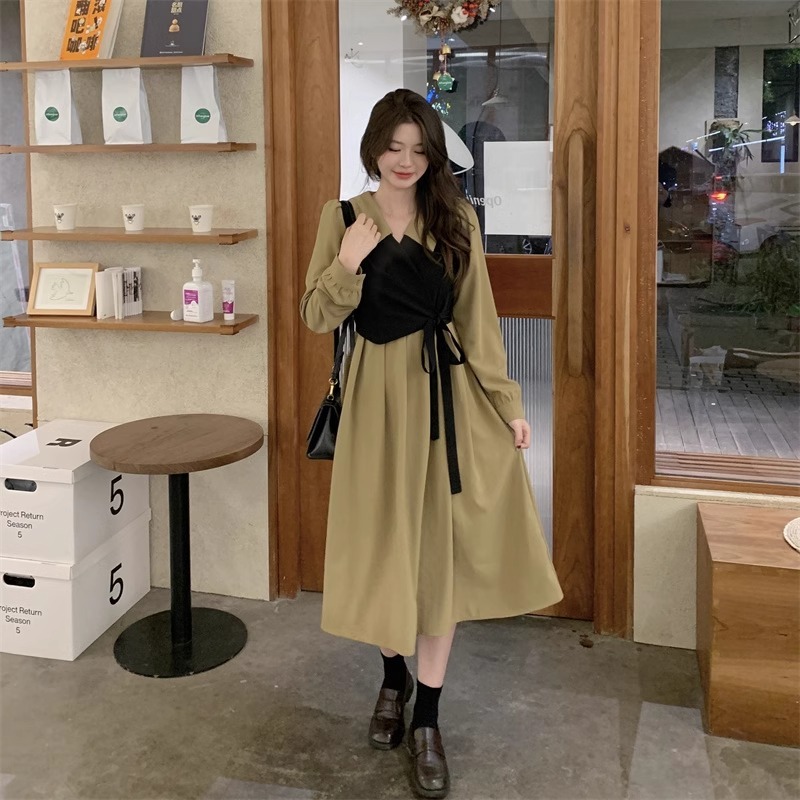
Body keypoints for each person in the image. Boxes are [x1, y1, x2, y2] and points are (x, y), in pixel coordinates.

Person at [300, 88, 562, 799]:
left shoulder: (456, 218)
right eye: (394, 147)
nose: (405, 160)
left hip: (446, 402)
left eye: (419, 149)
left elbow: (479, 322)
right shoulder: (343, 217)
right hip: (375, 408)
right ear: (374, 148)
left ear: (434, 155)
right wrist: (348, 261)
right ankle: (394, 677)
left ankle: (428, 718)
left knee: (437, 559)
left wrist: (507, 405)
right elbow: (315, 314)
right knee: (383, 549)